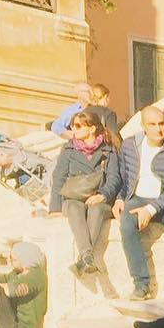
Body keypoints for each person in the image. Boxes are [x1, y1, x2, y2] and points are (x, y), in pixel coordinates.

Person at [102, 105, 164, 299]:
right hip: (136, 198)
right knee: (126, 223)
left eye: (161, 123)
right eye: (152, 124)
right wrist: (120, 199)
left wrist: (151, 208)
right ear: (143, 126)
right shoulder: (129, 145)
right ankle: (141, 283)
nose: (158, 129)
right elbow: (125, 178)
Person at [48, 108, 118, 275]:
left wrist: (102, 195)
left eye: (79, 126)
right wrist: (55, 208)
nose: (74, 129)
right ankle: (87, 256)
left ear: (92, 128)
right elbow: (59, 177)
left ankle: (84, 259)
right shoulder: (68, 149)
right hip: (73, 197)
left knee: (96, 210)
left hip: (100, 199)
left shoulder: (108, 150)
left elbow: (115, 178)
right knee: (74, 207)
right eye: (72, 126)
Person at [0, 242, 48, 328]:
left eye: (13, 259)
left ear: (24, 259)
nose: (9, 260)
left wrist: (2, 286)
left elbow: (10, 291)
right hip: (13, 323)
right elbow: (2, 279)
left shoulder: (36, 276)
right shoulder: (16, 273)